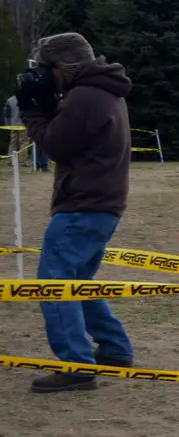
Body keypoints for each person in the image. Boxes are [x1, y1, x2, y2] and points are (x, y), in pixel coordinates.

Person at [18, 32, 134, 392]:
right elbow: (74, 133)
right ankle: (114, 348)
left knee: (54, 283)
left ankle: (75, 365)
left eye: (45, 68)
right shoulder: (103, 91)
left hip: (82, 204)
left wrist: (31, 112)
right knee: (78, 280)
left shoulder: (84, 96)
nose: (41, 75)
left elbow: (55, 144)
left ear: (63, 67)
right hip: (101, 203)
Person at [4, 94, 27, 166]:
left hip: (13, 125)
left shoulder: (10, 100)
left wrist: (7, 124)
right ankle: (22, 161)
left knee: (13, 143)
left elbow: (6, 114)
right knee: (23, 143)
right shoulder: (25, 98)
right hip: (23, 124)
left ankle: (10, 160)